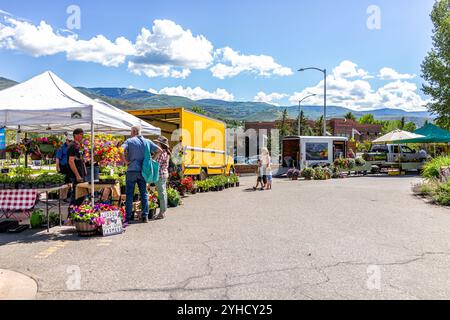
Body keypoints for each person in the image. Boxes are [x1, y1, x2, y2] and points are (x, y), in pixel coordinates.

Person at [122, 126, 161, 223]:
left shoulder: (129, 141)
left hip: (131, 170)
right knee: (143, 193)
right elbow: (159, 150)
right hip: (143, 171)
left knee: (130, 194)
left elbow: (120, 149)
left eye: (131, 132)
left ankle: (128, 217)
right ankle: (145, 216)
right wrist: (153, 159)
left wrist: (126, 161)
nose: (130, 134)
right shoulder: (147, 141)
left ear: (134, 131)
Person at [153, 136, 171, 220]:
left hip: (160, 175)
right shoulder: (166, 153)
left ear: (161, 144)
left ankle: (162, 212)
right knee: (163, 193)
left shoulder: (161, 153)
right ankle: (163, 211)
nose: (156, 144)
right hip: (164, 174)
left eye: (157, 143)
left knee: (161, 193)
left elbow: (156, 164)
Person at [68, 129, 87, 207]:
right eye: (80, 134)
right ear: (75, 135)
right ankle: (71, 214)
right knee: (76, 196)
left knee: (81, 195)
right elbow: (71, 161)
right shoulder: (72, 146)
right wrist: (77, 175)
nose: (81, 136)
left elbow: (81, 160)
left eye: (82, 134)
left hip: (81, 173)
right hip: (76, 175)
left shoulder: (78, 145)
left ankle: (76, 213)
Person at [56, 134, 72, 201]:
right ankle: (61, 197)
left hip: (69, 167)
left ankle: (64, 197)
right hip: (63, 167)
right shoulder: (62, 148)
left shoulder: (72, 147)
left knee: (68, 183)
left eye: (71, 141)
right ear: (66, 140)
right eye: (69, 141)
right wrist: (57, 167)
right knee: (62, 183)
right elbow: (57, 158)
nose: (70, 142)